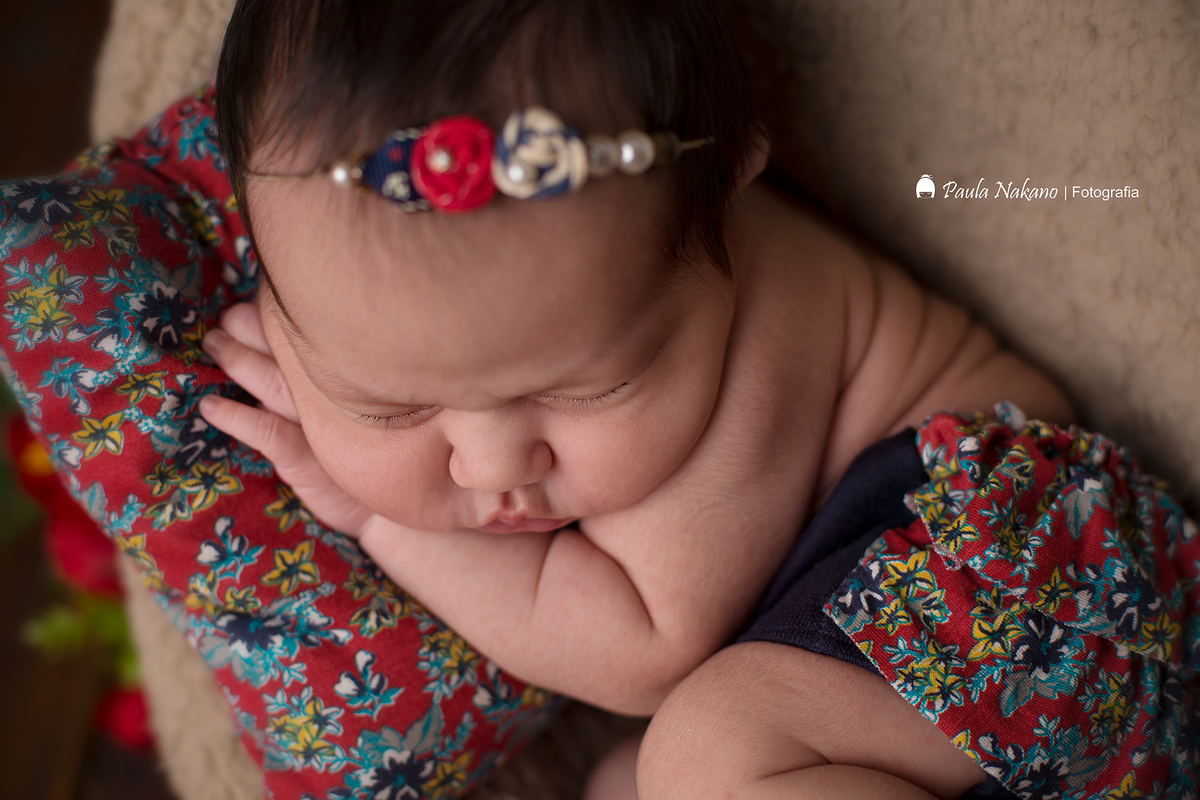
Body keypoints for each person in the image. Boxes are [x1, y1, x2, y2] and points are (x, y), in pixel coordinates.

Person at [199, 1, 1198, 798]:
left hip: (1034, 591)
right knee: (628, 781)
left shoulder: (766, 340)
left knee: (703, 751)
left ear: (723, 200)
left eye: (589, 387)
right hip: (948, 688)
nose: (493, 465)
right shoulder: (623, 286)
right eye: (388, 406)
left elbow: (641, 646)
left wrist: (377, 516)